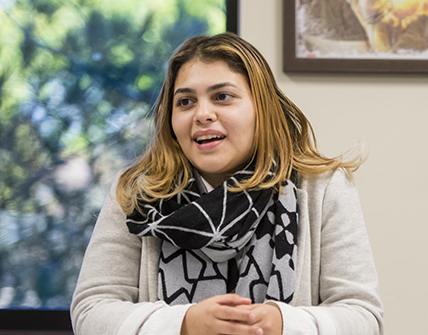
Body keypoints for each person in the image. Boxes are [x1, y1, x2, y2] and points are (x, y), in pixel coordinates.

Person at [71, 33, 383, 335]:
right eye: (186, 102)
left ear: (262, 109)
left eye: (222, 96)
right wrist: (184, 325)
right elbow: (91, 311)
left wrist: (284, 325)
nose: (202, 114)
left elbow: (363, 316)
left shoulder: (323, 188)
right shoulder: (136, 193)